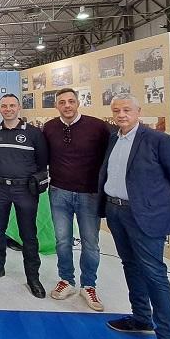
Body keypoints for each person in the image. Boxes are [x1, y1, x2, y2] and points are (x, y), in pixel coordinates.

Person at [99, 95, 170, 339]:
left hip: (145, 216)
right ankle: (140, 317)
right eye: (117, 110)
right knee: (130, 265)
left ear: (139, 111)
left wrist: (153, 204)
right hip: (116, 212)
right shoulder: (114, 139)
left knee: (154, 274)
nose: (121, 114)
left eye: (127, 109)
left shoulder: (159, 141)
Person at [42, 88, 110, 310]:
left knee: (90, 243)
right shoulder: (49, 127)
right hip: (59, 192)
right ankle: (66, 280)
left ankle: (89, 285)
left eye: (71, 101)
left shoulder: (98, 127)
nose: (67, 105)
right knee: (62, 240)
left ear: (78, 103)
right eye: (62, 102)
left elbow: (109, 158)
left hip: (89, 194)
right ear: (56, 106)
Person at [0, 94, 49, 298]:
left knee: (28, 235)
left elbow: (42, 162)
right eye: (4, 106)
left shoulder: (34, 133)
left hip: (25, 190)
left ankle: (33, 277)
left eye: (12, 105)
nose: (8, 109)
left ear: (19, 107)